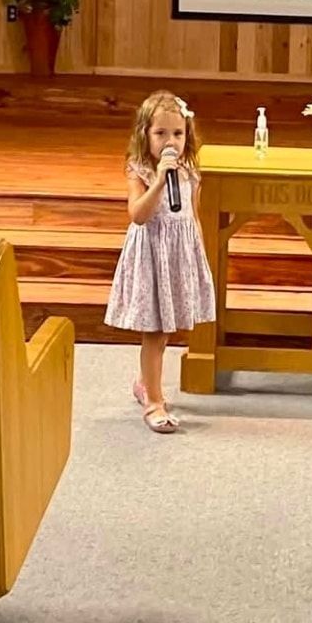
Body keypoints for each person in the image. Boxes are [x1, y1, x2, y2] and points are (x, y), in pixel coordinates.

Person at [105, 91, 216, 432]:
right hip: (151, 255)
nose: (171, 141)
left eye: (178, 134)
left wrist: (197, 257)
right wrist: (157, 181)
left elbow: (192, 215)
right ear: (145, 135)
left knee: (167, 327)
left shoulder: (189, 170)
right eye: (161, 134)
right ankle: (154, 402)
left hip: (178, 255)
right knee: (154, 331)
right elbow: (138, 215)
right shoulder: (139, 170)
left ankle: (143, 383)